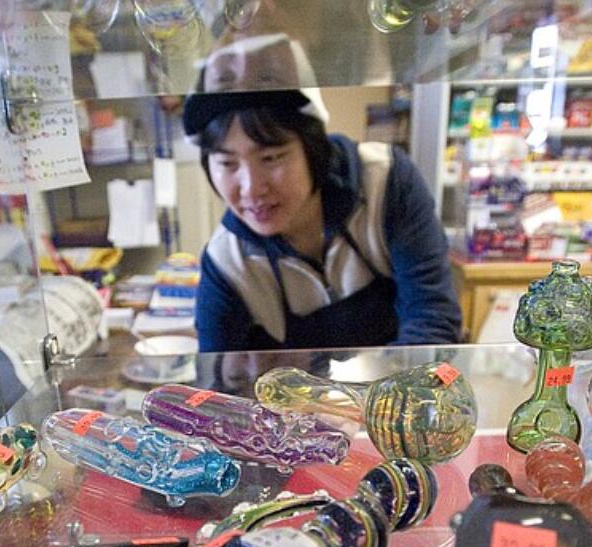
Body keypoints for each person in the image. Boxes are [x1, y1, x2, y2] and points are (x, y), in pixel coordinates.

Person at [183, 35, 463, 352]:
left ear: (313, 146)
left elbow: (434, 321)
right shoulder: (226, 263)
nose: (252, 188)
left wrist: (376, 402)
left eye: (271, 157)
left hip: (397, 393)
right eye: (227, 163)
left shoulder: (385, 181)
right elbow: (216, 382)